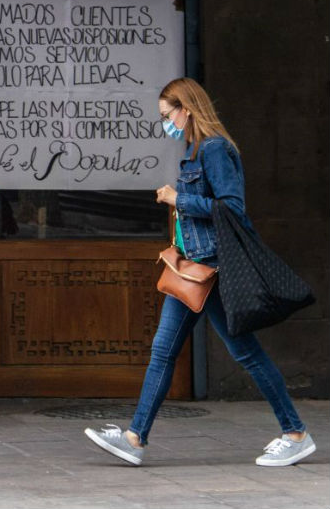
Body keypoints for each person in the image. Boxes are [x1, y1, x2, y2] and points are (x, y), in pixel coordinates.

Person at [85, 78, 315, 467]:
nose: (165, 124)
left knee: (246, 353)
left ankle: (295, 433)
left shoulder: (214, 149)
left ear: (185, 109)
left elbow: (232, 208)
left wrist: (180, 198)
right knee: (164, 351)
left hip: (212, 271)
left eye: (166, 115)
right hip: (191, 270)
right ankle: (134, 438)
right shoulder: (196, 151)